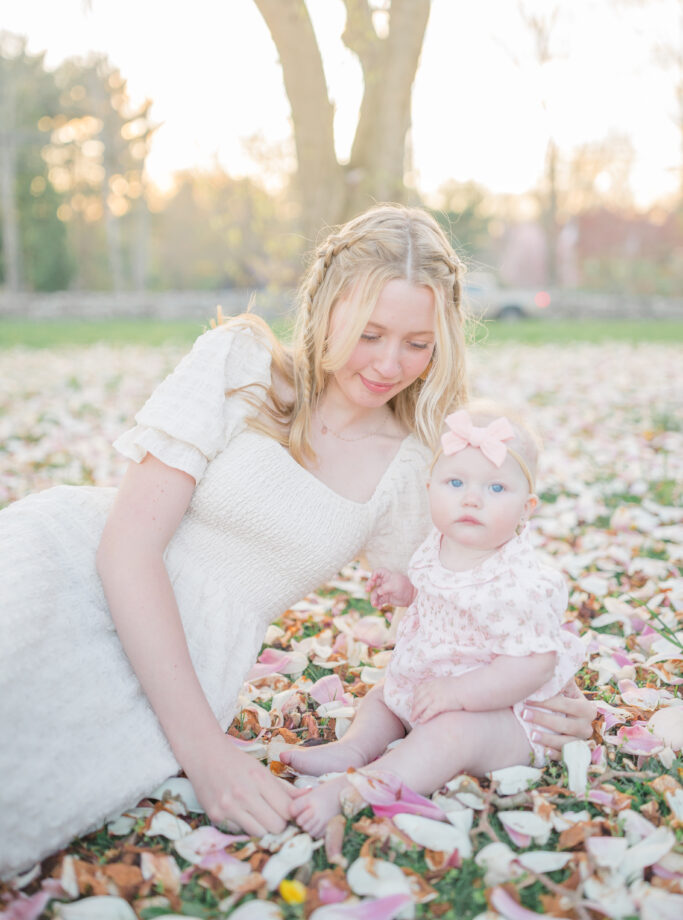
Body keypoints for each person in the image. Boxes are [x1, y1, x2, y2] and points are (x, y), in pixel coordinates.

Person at [0, 206, 594, 878]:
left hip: (197, 659)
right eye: (369, 333)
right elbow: (128, 546)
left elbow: (464, 600)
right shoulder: (240, 363)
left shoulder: (413, 464)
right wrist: (207, 752)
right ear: (324, 304)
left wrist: (539, 691)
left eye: (417, 343)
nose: (388, 363)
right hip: (75, 569)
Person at [285, 405, 588, 838]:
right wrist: (406, 591)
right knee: (383, 698)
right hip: (432, 687)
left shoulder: (521, 582)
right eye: (456, 482)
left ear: (527, 507)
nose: (472, 498)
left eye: (497, 487)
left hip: (502, 715)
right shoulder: (441, 544)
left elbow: (531, 664)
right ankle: (353, 747)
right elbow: (442, 595)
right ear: (431, 489)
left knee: (451, 734)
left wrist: (458, 694)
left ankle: (361, 789)